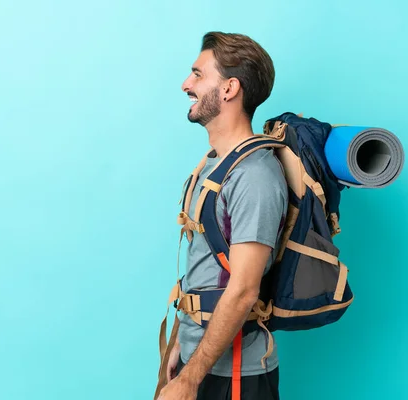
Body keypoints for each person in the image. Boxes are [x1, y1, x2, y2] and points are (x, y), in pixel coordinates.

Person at [157, 32, 288, 400]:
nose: (187, 85)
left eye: (198, 74)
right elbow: (208, 266)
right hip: (201, 360)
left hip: (235, 377)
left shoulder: (255, 176)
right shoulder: (215, 164)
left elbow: (244, 289)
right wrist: (181, 346)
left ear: (230, 88)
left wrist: (189, 379)